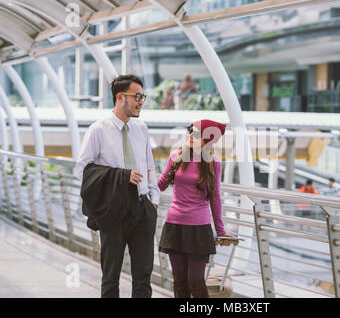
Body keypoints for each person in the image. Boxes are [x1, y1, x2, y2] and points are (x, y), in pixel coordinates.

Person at [74, 74, 161, 298]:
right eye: (137, 96)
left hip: (143, 208)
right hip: (114, 210)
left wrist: (154, 202)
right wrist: (121, 176)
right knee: (111, 275)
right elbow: (81, 170)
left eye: (143, 96)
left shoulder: (141, 128)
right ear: (120, 97)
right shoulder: (98, 130)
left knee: (143, 276)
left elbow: (149, 165)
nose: (141, 101)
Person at [157, 119, 235, 298]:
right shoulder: (176, 156)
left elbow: (215, 197)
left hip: (199, 228)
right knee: (179, 282)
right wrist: (143, 183)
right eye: (190, 130)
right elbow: (161, 184)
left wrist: (221, 230)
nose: (191, 135)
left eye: (197, 133)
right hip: (174, 225)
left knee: (195, 281)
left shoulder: (213, 163)